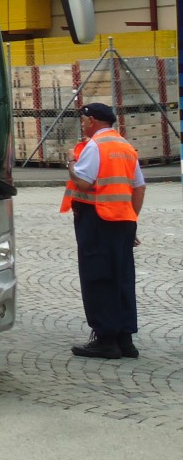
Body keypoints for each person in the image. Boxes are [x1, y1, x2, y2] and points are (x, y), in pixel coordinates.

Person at [60, 102, 145, 359]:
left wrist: (71, 164)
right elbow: (139, 187)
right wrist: (132, 220)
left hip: (97, 220)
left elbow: (84, 183)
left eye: (84, 120)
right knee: (122, 277)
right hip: (122, 221)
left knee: (97, 277)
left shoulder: (95, 146)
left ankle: (106, 339)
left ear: (92, 120)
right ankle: (125, 339)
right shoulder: (126, 147)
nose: (82, 124)